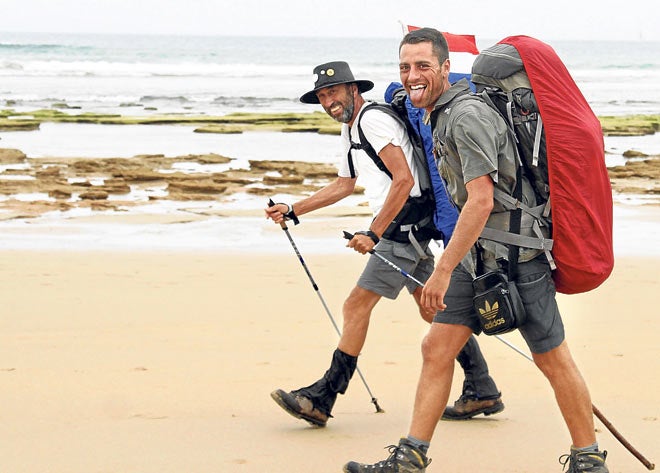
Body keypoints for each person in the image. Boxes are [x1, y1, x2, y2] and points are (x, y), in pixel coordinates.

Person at [343, 28, 609, 472]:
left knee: (553, 359)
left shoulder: (464, 116)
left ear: (447, 68)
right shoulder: (440, 113)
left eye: (423, 66)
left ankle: (588, 458)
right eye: (405, 67)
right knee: (437, 348)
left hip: (517, 259)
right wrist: (454, 264)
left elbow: (481, 200)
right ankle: (410, 457)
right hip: (477, 258)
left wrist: (441, 269)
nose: (412, 76)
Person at [265, 60, 503, 428]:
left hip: (402, 228)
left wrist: (374, 232)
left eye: (334, 92)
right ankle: (482, 387)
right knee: (431, 309)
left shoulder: (373, 120)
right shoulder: (351, 126)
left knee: (356, 305)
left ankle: (323, 396)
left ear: (353, 90)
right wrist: (295, 209)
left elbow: (404, 180)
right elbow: (345, 184)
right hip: (408, 226)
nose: (329, 101)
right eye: (323, 96)